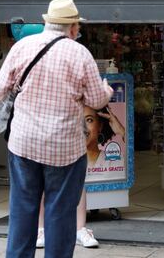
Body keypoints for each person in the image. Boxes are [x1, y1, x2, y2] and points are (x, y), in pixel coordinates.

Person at [0, 0, 113, 258]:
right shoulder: (80, 53)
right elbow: (97, 100)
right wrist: (106, 90)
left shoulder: (23, 47)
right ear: (73, 27)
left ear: (47, 22)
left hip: (24, 144)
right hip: (64, 149)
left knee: (22, 210)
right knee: (61, 212)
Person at [36, 105, 126, 248]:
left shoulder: (112, 158)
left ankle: (79, 229)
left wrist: (121, 131)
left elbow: (99, 93)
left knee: (77, 176)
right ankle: (41, 229)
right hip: (49, 124)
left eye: (89, 120)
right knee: (43, 174)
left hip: (64, 122)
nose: (84, 126)